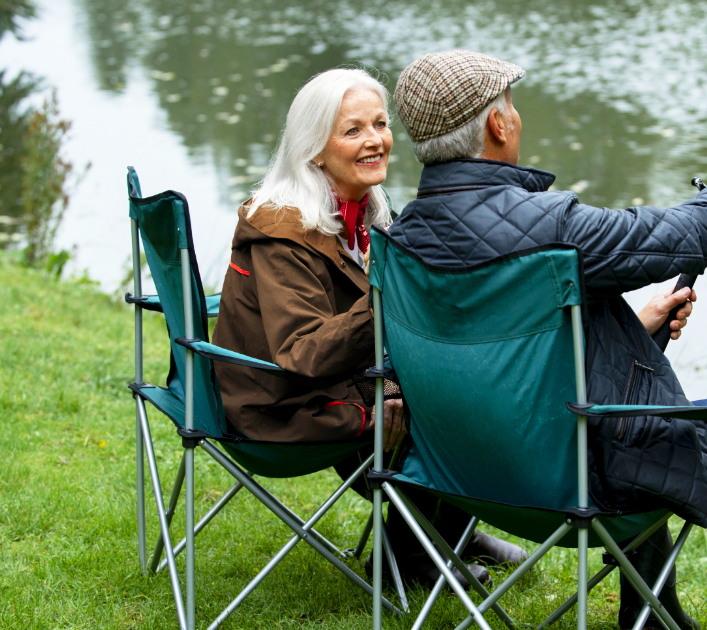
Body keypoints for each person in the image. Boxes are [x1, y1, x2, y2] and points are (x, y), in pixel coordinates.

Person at [387, 50, 707, 630]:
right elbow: (691, 234)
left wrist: (635, 327)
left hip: (465, 481)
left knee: (633, 412)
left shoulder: (402, 239)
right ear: (498, 125)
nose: (516, 118)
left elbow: (503, 362)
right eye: (512, 108)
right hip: (578, 487)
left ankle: (651, 614)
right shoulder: (553, 228)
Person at [210, 67, 524, 587]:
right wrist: (395, 290)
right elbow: (305, 353)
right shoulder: (284, 231)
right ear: (314, 148)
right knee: (452, 407)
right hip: (279, 407)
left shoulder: (359, 210)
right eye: (353, 130)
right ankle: (412, 553)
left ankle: (447, 531)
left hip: (326, 383)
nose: (375, 140)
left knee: (469, 378)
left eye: (380, 124)